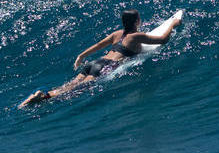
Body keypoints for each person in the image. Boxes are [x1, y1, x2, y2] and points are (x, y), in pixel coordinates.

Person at [20, 9, 177, 107]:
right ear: (137, 21)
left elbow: (97, 46)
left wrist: (80, 56)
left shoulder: (116, 34)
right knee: (76, 90)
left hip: (93, 63)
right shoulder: (137, 36)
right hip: (106, 66)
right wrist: (173, 23)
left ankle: (46, 94)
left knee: (71, 84)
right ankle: (44, 96)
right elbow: (163, 39)